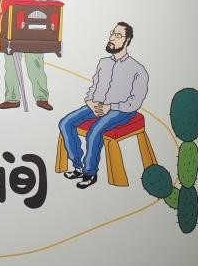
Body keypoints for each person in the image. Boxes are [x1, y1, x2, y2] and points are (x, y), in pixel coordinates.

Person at [58, 22, 148, 189]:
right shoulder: (103, 63)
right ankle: (78, 166)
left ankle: (89, 173)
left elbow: (135, 102)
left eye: (118, 35)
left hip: (121, 110)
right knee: (65, 122)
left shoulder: (137, 69)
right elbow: (93, 88)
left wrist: (110, 107)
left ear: (127, 41)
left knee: (95, 131)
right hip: (96, 105)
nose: (112, 38)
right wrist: (90, 102)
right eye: (112, 33)